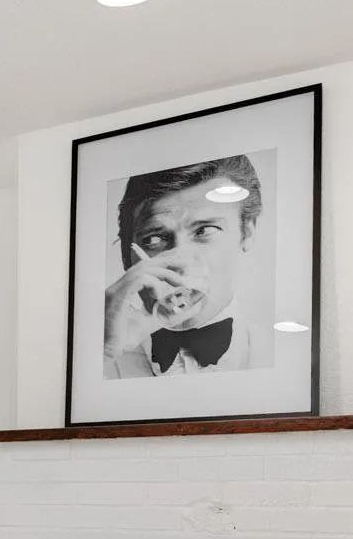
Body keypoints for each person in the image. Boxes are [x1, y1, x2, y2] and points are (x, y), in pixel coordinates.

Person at [103, 155, 262, 378]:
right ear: (127, 257)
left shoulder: (284, 354)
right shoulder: (97, 361)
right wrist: (105, 351)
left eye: (204, 231)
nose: (180, 264)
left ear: (247, 232)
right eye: (154, 239)